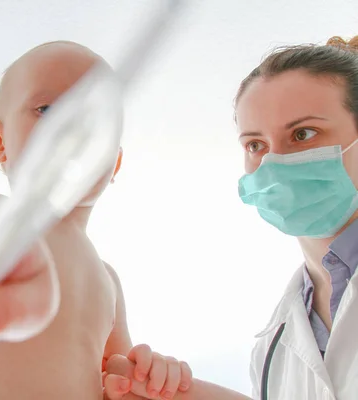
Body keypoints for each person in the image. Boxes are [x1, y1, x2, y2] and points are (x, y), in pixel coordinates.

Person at [0, 41, 193, 400]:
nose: (75, 129)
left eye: (98, 121)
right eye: (47, 109)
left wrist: (152, 372)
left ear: (114, 162)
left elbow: (120, 379)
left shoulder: (109, 282)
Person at [106, 34, 358, 400]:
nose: (273, 162)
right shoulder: (273, 345)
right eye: (255, 145)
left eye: (303, 134)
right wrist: (186, 394)